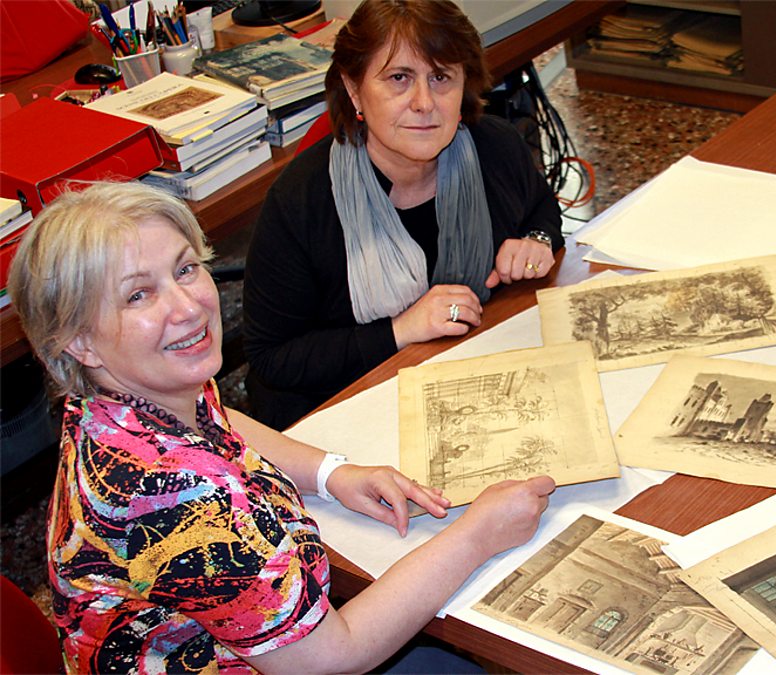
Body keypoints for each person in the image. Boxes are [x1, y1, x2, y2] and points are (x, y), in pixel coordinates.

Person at [8, 181, 556, 674]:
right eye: (138, 295)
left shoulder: (125, 397)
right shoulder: (173, 494)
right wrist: (478, 535)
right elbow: (331, 657)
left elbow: (222, 419)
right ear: (78, 342)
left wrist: (331, 473)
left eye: (185, 269)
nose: (189, 307)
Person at [243, 0, 564, 430]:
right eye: (399, 78)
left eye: (441, 77)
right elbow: (272, 358)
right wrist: (400, 330)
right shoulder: (301, 201)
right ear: (354, 89)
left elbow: (542, 208)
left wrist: (537, 241)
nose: (424, 102)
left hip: (472, 383)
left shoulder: (494, 147)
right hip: (347, 410)